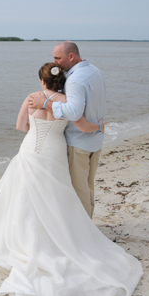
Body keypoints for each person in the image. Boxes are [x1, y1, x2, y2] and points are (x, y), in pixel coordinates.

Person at [0, 62, 143, 296]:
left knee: (25, 197)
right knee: (57, 197)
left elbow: (21, 126)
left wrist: (34, 118)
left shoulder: (31, 98)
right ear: (60, 80)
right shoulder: (66, 102)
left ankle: (27, 238)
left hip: (32, 151)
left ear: (41, 81)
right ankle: (61, 235)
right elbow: (84, 127)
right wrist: (100, 127)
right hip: (55, 154)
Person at [31, 41, 105, 218]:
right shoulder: (95, 71)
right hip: (95, 139)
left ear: (71, 57)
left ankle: (84, 231)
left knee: (79, 191)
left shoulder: (74, 80)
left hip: (78, 142)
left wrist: (46, 103)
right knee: (88, 186)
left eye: (58, 58)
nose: (55, 63)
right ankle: (88, 226)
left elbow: (73, 112)